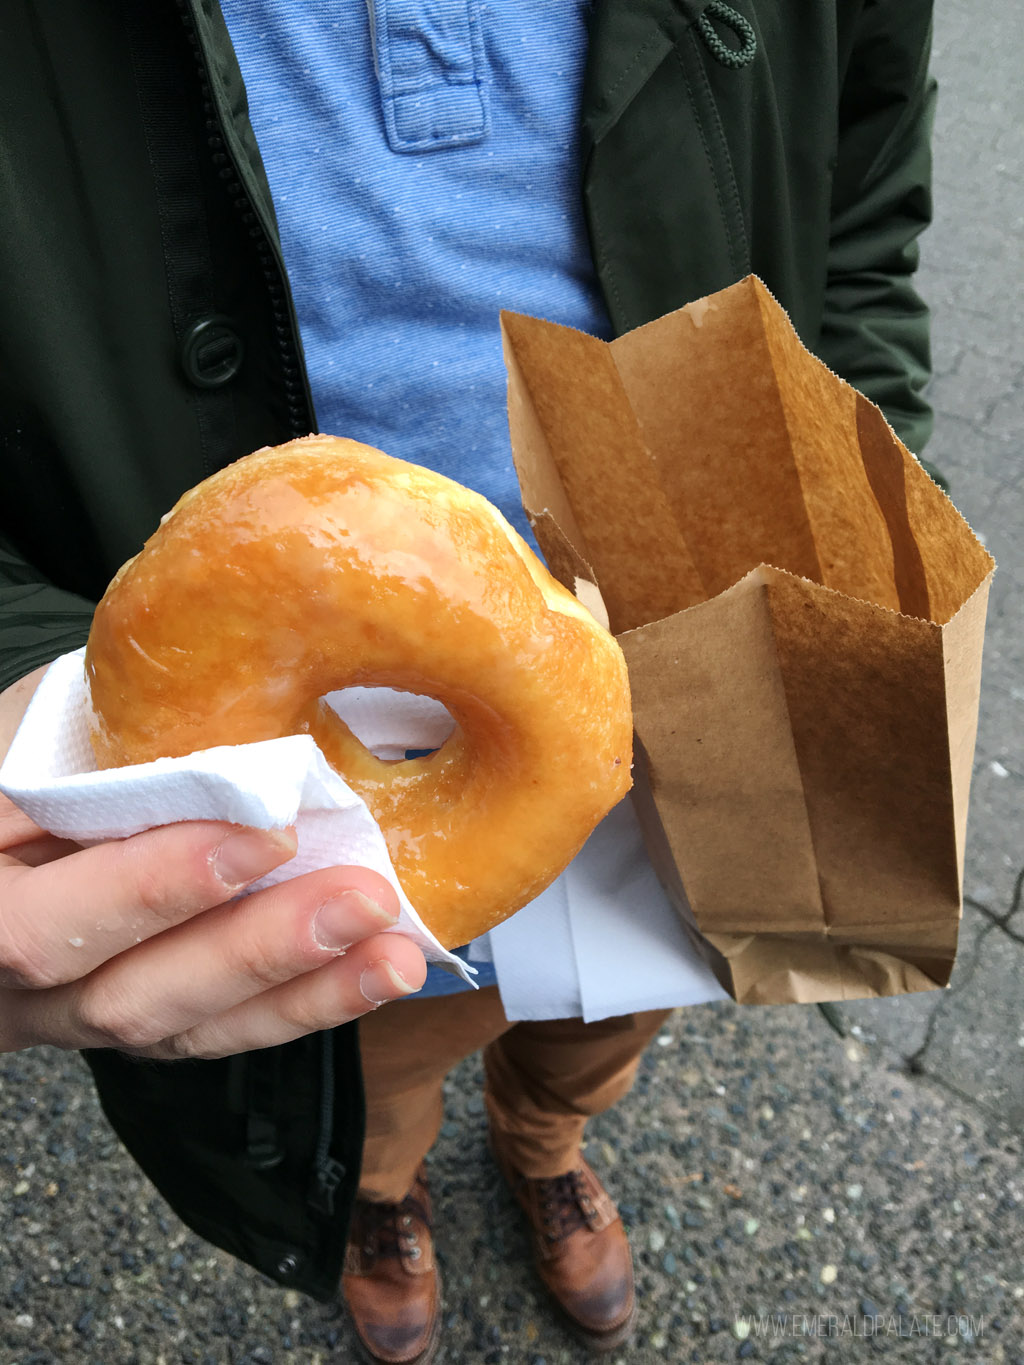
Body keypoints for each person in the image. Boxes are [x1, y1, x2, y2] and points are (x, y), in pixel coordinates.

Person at [0, 0, 939, 1359]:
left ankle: (544, 1133)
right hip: (297, 812)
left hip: (688, 717)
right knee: (371, 1043)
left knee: (614, 1011)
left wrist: (864, 528)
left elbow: (860, 219)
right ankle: (385, 1189)